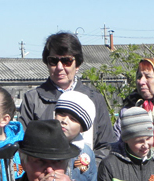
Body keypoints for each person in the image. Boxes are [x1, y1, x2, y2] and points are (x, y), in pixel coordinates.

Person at [19, 32, 116, 165]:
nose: (59, 67)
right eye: (53, 61)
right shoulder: (33, 99)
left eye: (66, 61)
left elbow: (106, 146)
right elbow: (24, 146)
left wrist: (89, 168)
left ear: (77, 65)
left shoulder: (94, 99)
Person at [54, 91, 98, 181]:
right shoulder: (44, 146)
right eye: (61, 114)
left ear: (82, 128)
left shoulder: (87, 153)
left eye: (73, 119)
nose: (64, 121)